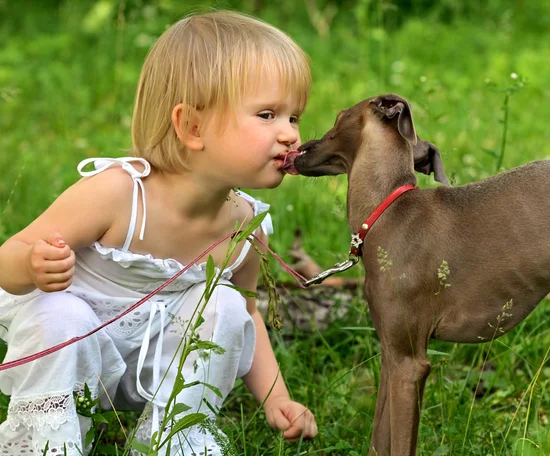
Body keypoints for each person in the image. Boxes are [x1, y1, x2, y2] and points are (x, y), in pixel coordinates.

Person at [0, 10, 317, 455]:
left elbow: (247, 315)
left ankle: (170, 437)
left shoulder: (244, 223)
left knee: (223, 303)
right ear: (192, 127)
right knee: (60, 315)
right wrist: (32, 264)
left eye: (294, 117)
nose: (289, 135)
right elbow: (7, 257)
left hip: (159, 365)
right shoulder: (118, 194)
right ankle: (46, 440)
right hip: (78, 356)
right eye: (268, 114)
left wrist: (276, 397)